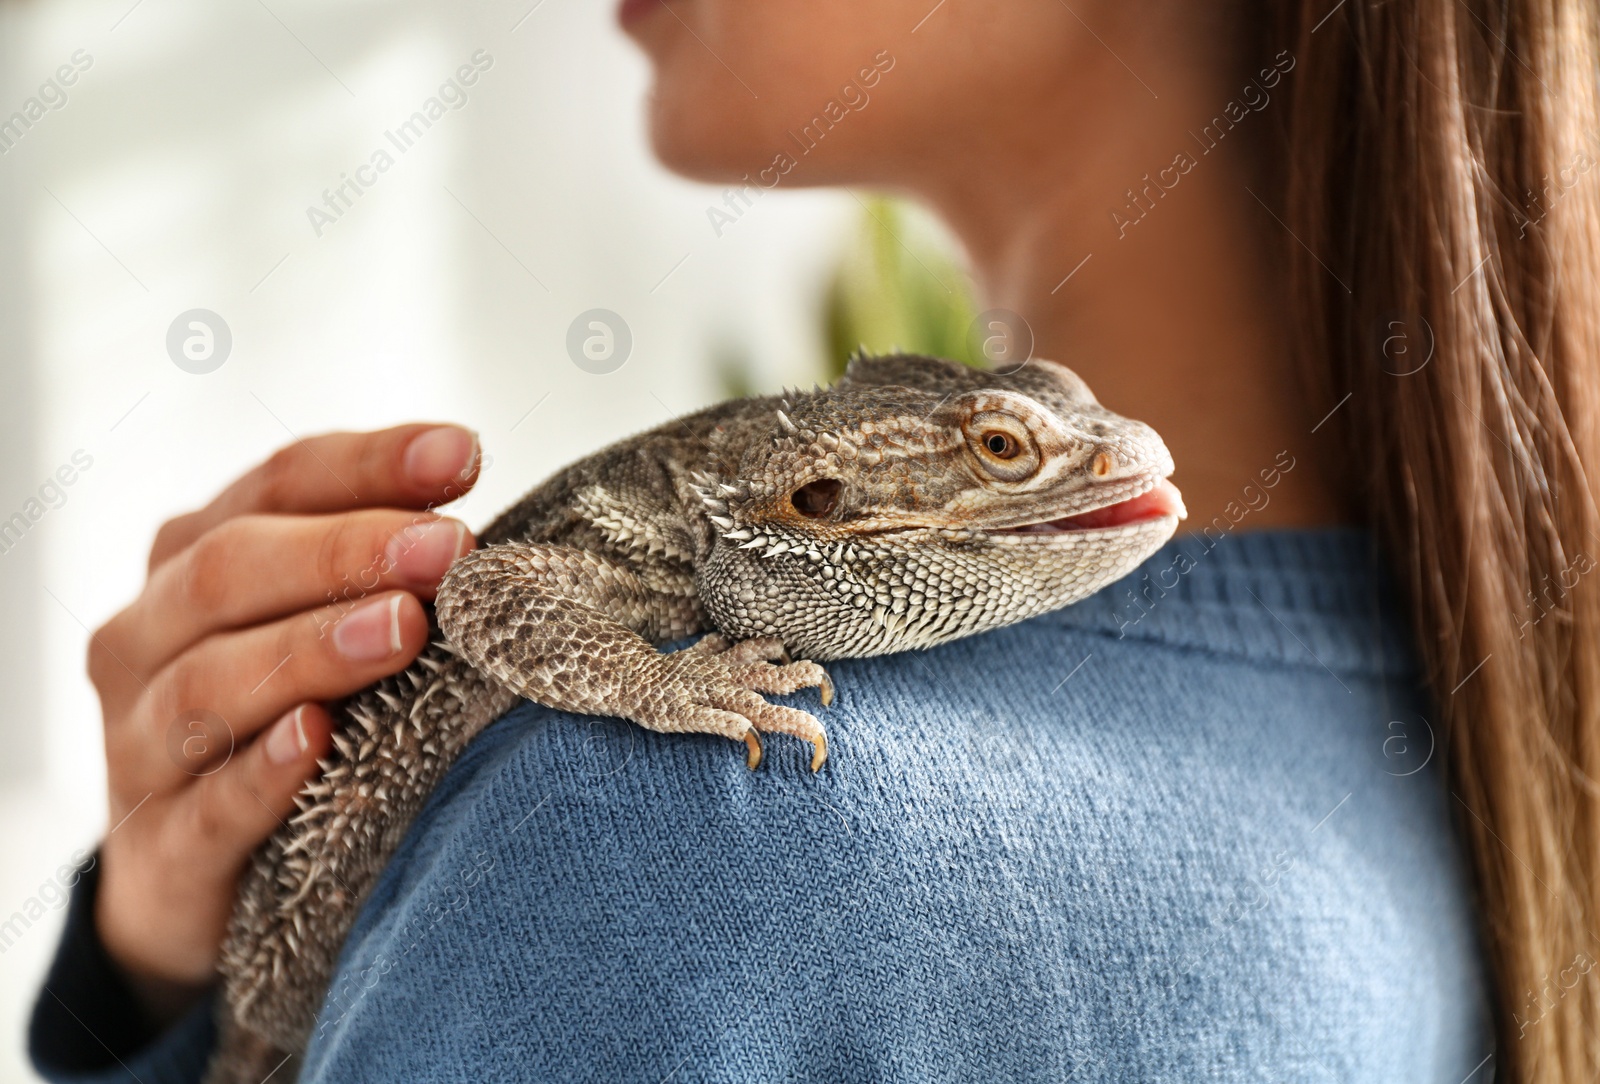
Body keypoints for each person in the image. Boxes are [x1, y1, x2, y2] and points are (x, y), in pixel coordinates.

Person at [30, 0, 1600, 1079]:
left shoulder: (693, 819)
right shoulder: (1492, 708)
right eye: (998, 443)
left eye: (1008, 449)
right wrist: (173, 978)